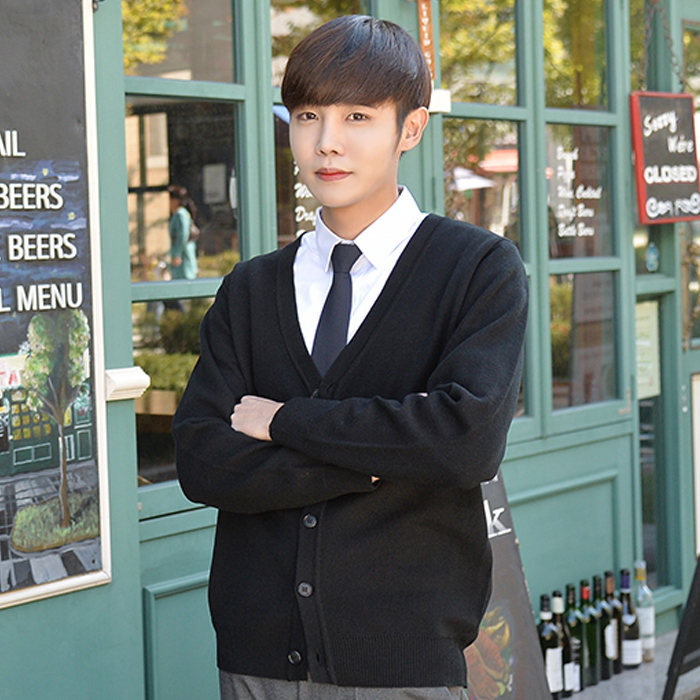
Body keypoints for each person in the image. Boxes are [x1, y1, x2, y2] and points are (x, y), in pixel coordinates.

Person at [173, 15, 528, 700]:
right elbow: (201, 458)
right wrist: (376, 462)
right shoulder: (251, 289)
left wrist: (285, 422)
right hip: (257, 664)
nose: (326, 142)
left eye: (357, 116)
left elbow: (466, 440)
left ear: (411, 129)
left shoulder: (477, 269)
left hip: (403, 663)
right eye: (307, 116)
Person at [168, 184, 198, 281]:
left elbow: (183, 235)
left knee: (184, 280)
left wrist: (177, 254)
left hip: (183, 255)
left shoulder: (180, 214)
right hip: (182, 253)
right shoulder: (179, 214)